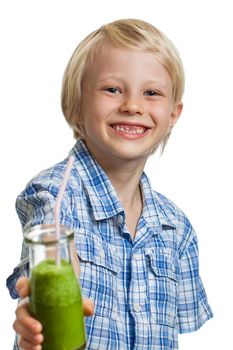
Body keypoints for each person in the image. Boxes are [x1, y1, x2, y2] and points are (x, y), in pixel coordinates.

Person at [6, 18, 213, 350]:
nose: (132, 106)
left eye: (152, 93)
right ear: (76, 106)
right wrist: (42, 314)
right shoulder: (54, 194)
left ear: (173, 115)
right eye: (112, 89)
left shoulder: (176, 228)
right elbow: (52, 256)